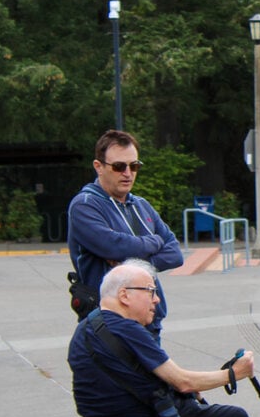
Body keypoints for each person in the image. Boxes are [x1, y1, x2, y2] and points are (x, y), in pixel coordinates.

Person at [68, 259, 254, 417]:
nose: (156, 300)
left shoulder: (84, 328)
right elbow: (184, 382)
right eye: (150, 291)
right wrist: (234, 373)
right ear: (124, 295)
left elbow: (128, 374)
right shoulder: (127, 329)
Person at [68, 129, 182, 335]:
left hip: (150, 322)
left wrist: (132, 266)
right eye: (119, 166)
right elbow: (113, 245)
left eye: (134, 165)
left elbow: (175, 254)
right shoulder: (85, 205)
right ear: (99, 167)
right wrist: (154, 242)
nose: (128, 173)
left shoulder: (141, 205)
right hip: (110, 327)